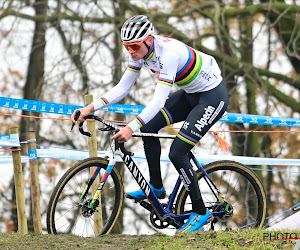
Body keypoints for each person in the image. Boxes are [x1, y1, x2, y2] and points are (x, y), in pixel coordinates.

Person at [71, 15, 229, 233]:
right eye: (126, 47)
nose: (131, 51)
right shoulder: (140, 54)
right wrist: (90, 108)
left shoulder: (169, 55)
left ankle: (200, 211)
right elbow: (122, 87)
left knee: (177, 153)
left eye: (134, 46)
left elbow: (158, 100)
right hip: (191, 94)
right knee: (148, 127)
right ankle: (156, 187)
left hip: (212, 97)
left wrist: (130, 127)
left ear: (149, 39)